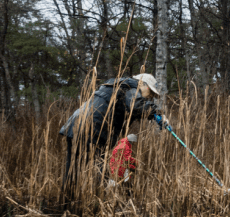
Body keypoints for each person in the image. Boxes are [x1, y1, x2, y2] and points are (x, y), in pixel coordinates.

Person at [59, 74, 162, 204]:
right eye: (151, 93)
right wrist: (157, 113)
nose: (151, 97)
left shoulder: (117, 86)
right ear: (143, 84)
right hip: (92, 130)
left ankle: (66, 204)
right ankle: (98, 206)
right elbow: (137, 105)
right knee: (99, 171)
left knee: (73, 169)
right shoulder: (131, 88)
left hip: (75, 126)